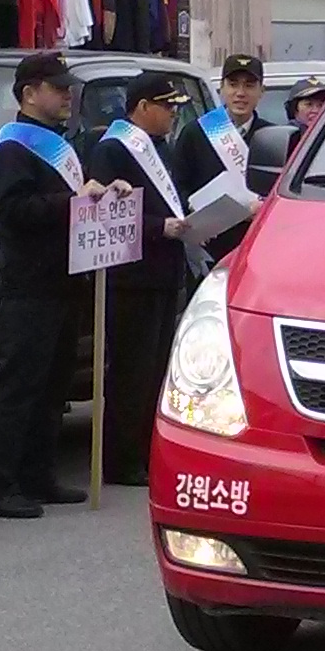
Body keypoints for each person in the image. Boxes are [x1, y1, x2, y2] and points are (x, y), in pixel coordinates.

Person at [0, 51, 111, 518]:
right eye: (58, 88)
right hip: (30, 283)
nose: (68, 95)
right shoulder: (12, 150)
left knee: (54, 385)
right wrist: (72, 201)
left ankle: (38, 474)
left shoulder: (60, 143)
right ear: (30, 94)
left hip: (65, 280)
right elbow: (16, 211)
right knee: (18, 384)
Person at [92, 71, 199, 486]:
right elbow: (105, 213)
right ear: (142, 107)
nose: (173, 114)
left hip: (163, 273)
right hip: (130, 276)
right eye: (167, 106)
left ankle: (145, 451)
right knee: (131, 371)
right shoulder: (113, 150)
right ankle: (121, 457)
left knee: (155, 370)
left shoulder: (160, 147)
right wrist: (159, 227)